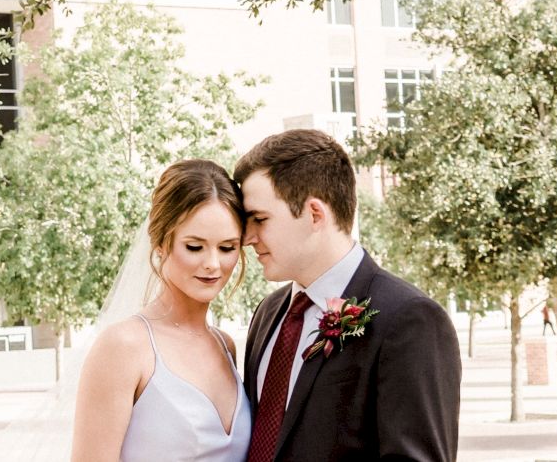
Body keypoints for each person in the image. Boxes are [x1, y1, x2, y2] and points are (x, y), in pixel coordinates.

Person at [234, 129, 460, 462]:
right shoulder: (268, 313)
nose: (247, 237)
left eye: (259, 218)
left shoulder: (409, 319)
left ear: (314, 214)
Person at [71, 159, 254, 461]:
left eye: (227, 247)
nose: (213, 263)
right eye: (194, 247)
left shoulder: (226, 346)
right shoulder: (124, 346)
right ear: (160, 244)